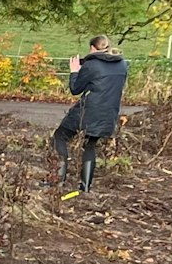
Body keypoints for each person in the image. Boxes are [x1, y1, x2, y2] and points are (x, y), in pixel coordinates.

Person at [52, 36, 128, 194]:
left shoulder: (92, 64)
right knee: (90, 144)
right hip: (109, 113)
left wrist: (74, 72)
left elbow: (75, 89)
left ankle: (58, 179)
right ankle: (85, 187)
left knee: (60, 136)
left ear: (93, 48)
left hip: (88, 110)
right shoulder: (122, 64)